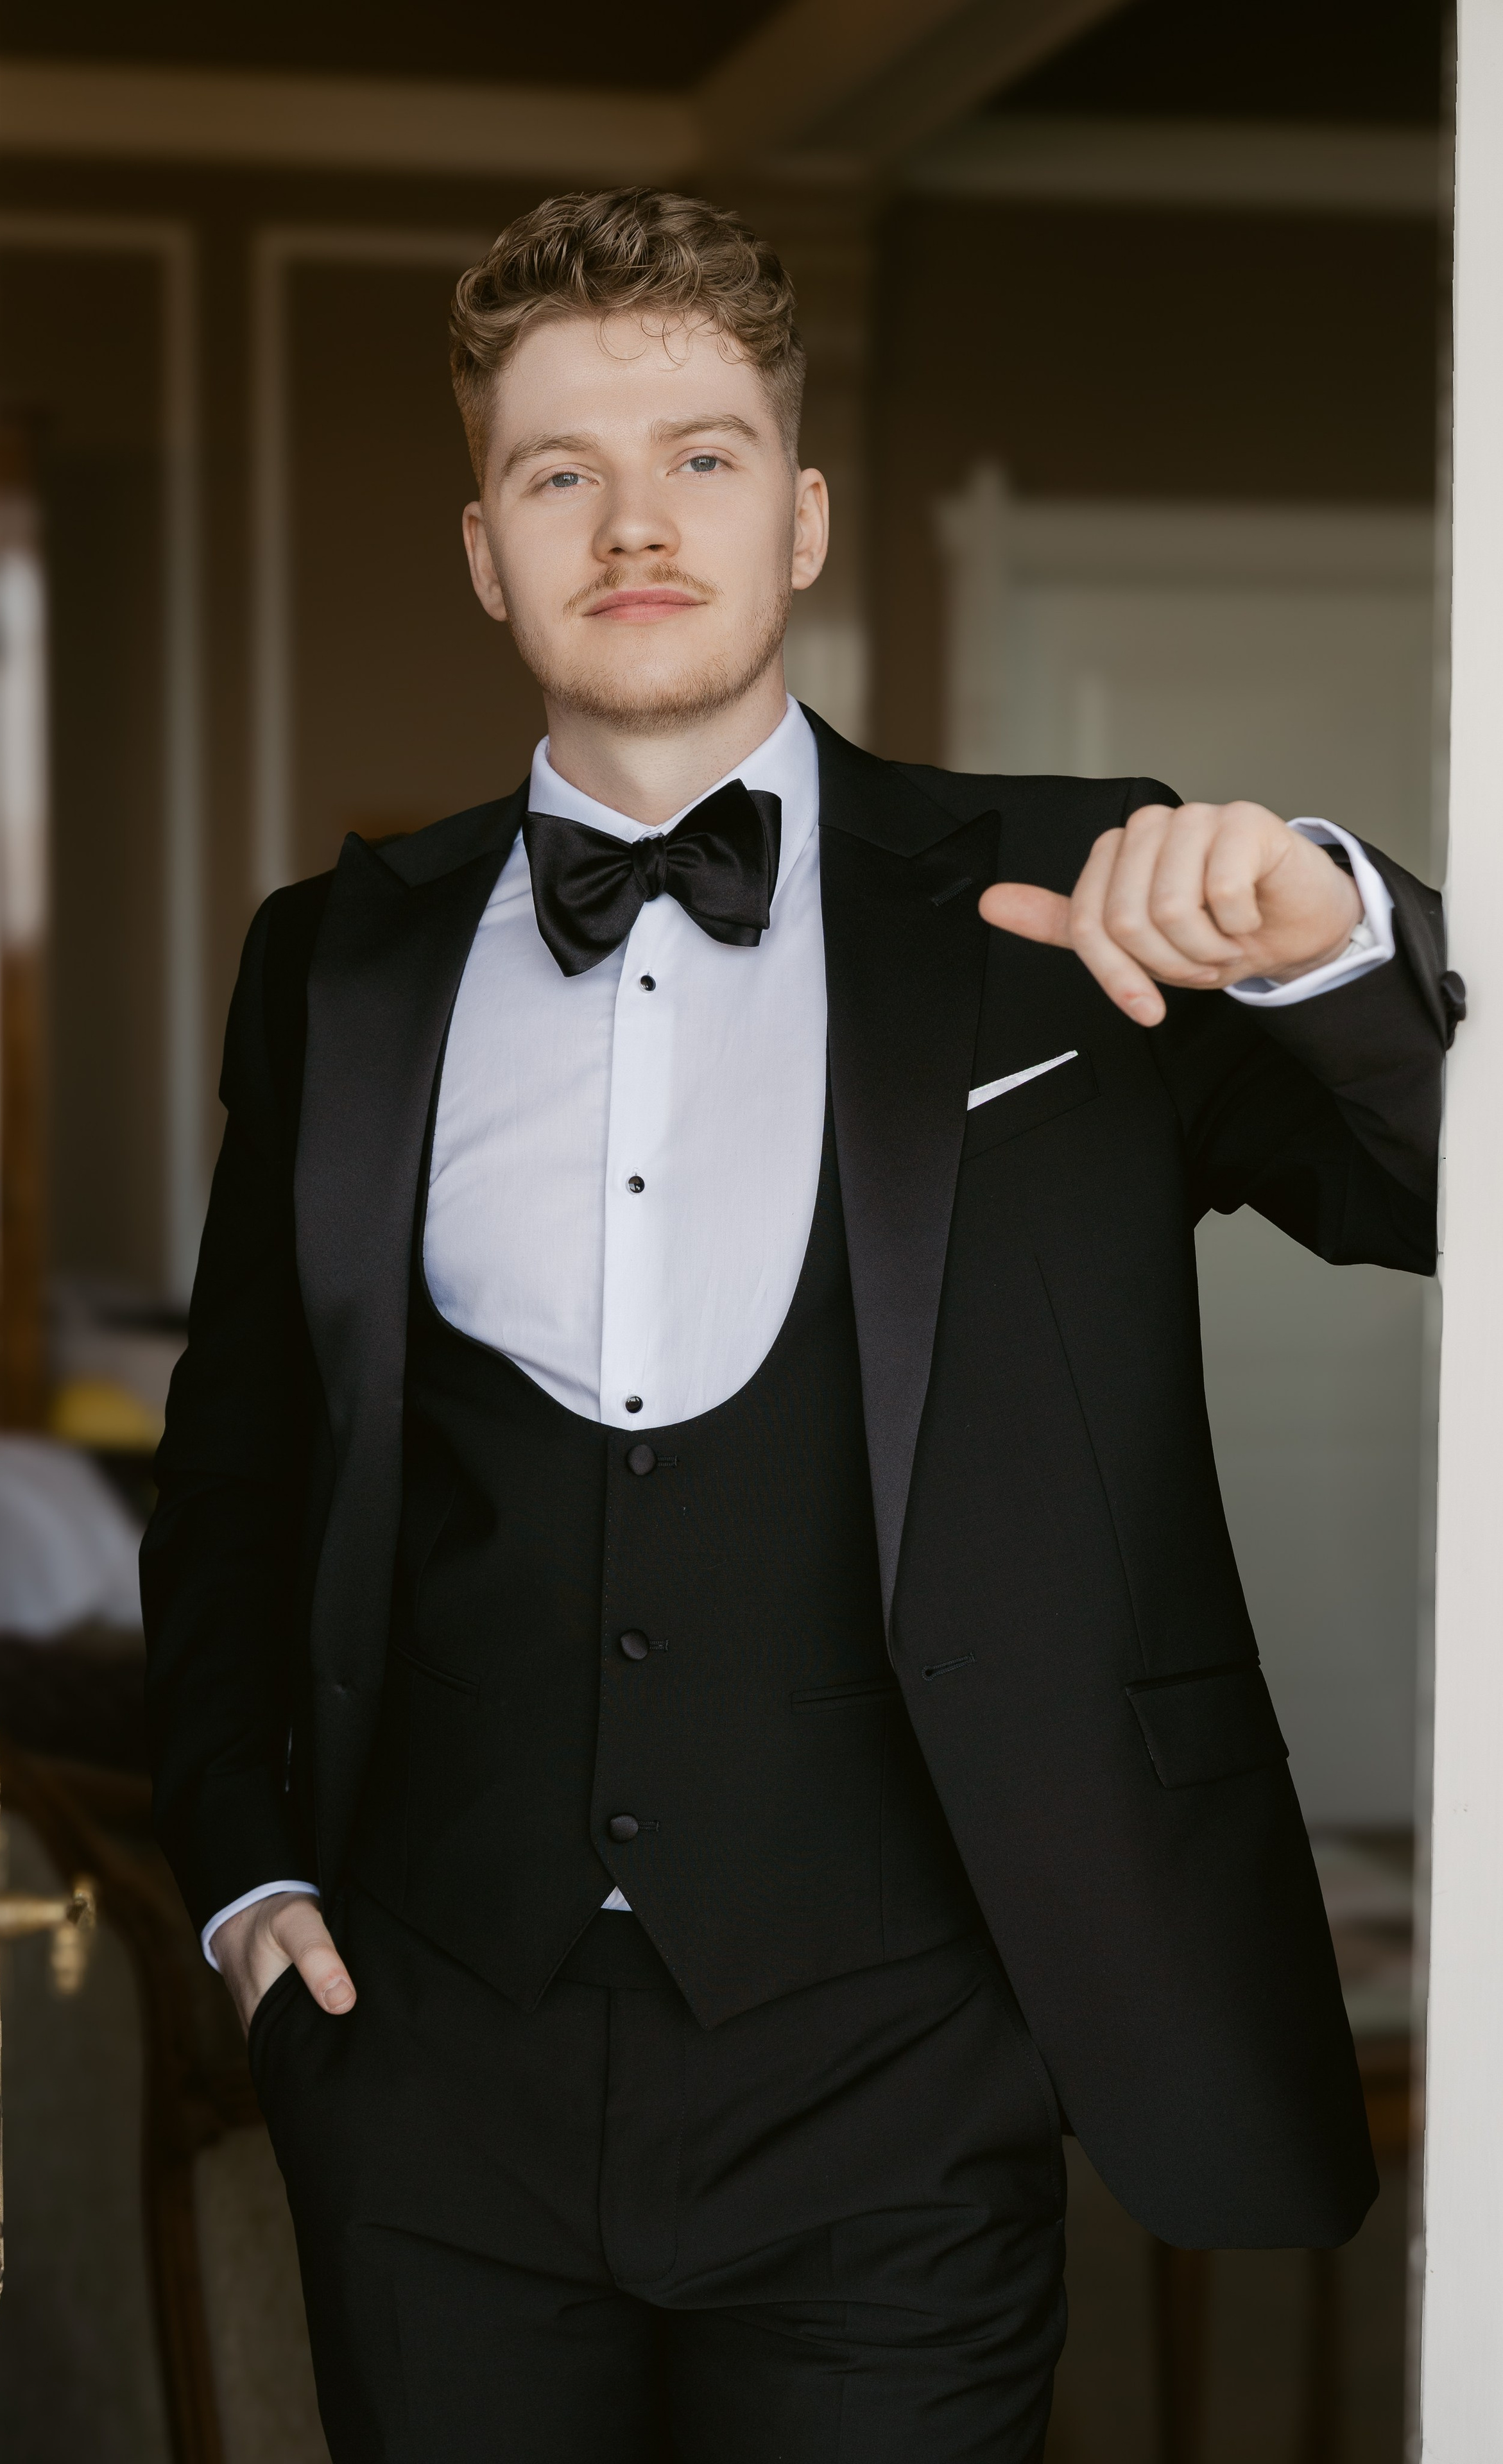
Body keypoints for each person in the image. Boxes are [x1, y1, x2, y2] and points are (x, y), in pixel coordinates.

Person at [142, 188, 1457, 2463]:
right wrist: (246, 1882)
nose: (637, 523)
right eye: (564, 472)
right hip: (433, 2090)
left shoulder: (1070, 899)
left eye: (704, 459)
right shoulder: (330, 959)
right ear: (486, 545)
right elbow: (242, 1465)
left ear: (807, 514)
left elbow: (1437, 1185)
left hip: (904, 2086)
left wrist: (1332, 923)